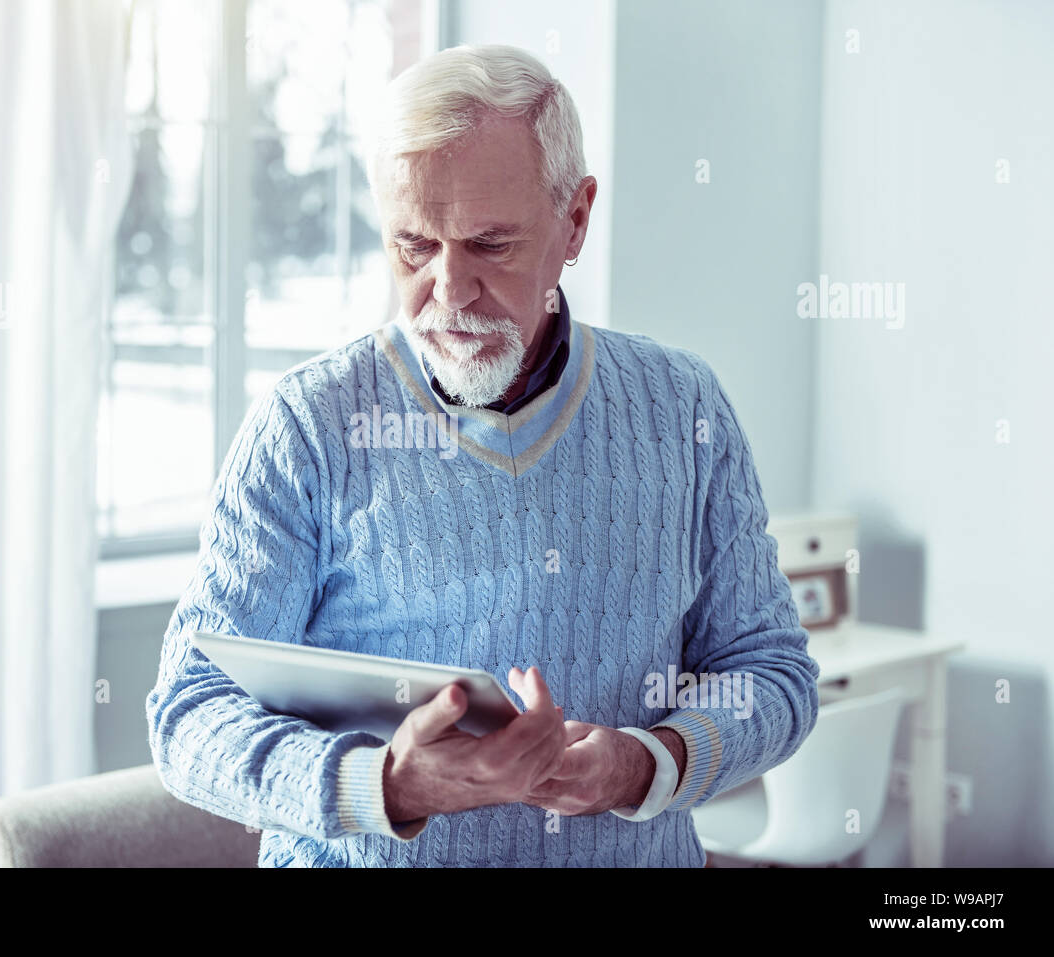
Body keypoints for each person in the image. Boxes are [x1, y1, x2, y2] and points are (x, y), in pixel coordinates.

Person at [145, 43, 820, 867]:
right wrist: (383, 784)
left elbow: (772, 671)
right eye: (413, 246)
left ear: (574, 220)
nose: (449, 291)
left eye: (489, 245)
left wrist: (648, 763)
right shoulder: (307, 426)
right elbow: (188, 712)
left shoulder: (683, 411)